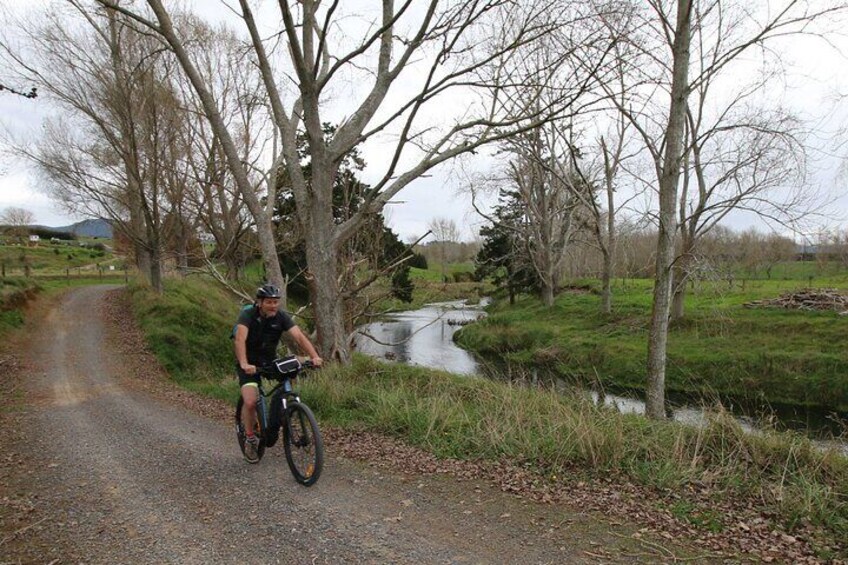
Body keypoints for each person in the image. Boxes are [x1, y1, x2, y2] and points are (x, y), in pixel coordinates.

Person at [234, 284, 323, 463]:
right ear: (260, 302)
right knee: (251, 401)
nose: (273, 305)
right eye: (269, 302)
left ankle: (276, 420)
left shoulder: (281, 317)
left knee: (291, 370)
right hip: (248, 364)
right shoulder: (248, 315)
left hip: (268, 361)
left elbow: (299, 337)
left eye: (276, 302)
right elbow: (239, 339)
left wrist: (314, 357)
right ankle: (250, 438)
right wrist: (244, 363)